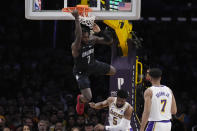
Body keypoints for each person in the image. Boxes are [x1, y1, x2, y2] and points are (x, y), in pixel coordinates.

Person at [71, 10, 116, 115]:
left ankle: (95, 75)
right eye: (84, 37)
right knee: (88, 98)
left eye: (87, 36)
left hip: (92, 64)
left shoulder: (92, 39)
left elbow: (109, 41)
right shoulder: (76, 46)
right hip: (81, 71)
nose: (86, 39)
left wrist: (100, 32)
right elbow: (78, 36)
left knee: (113, 71)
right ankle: (80, 99)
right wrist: (77, 19)